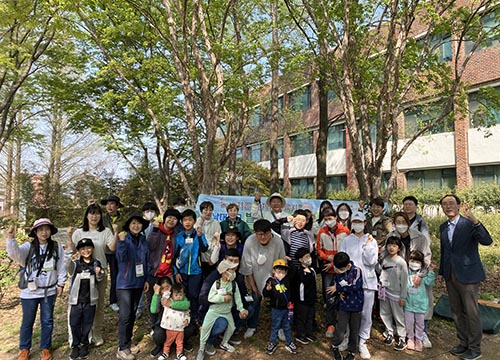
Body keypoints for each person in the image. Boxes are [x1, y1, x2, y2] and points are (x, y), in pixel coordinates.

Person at [439, 194, 493, 360]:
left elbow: (487, 241)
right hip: (450, 274)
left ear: (458, 205)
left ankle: (475, 348)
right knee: (456, 311)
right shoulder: (443, 227)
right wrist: (443, 271)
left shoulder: (469, 223)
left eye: (451, 203)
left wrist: (476, 221)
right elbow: (445, 251)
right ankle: (463, 343)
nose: (448, 206)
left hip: (468, 274)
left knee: (471, 312)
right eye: (444, 204)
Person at [5, 219, 67, 360]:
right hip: (29, 292)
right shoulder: (29, 247)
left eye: (47, 229)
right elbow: (16, 255)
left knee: (47, 321)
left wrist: (61, 284)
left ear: (51, 231)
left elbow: (61, 266)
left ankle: (46, 348)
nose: (44, 232)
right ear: (35, 232)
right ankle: (24, 349)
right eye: (41, 230)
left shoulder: (57, 247)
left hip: (49, 291)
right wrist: (11, 239)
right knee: (27, 321)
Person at [68, 204, 117, 346]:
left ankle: (96, 333)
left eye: (97, 214)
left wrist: (115, 232)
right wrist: (69, 237)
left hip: (99, 272)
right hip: (81, 273)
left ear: (101, 216)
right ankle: (82, 334)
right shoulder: (79, 232)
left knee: (98, 305)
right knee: (80, 304)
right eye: (91, 213)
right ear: (86, 215)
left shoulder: (105, 231)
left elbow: (112, 248)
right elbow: (72, 252)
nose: (94, 216)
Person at [198, 248, 254, 355]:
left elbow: (241, 295)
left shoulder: (237, 279)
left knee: (250, 309)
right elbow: (203, 298)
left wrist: (243, 309)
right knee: (221, 324)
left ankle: (227, 336)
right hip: (213, 310)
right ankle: (208, 342)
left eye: (236, 261)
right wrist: (221, 299)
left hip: (229, 309)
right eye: (230, 261)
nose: (233, 265)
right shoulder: (214, 278)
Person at [338, 212, 378, 360]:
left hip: (367, 282)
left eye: (359, 222)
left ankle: (362, 342)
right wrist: (341, 285)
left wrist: (367, 246)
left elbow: (371, 261)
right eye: (354, 222)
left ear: (364, 223)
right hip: (350, 284)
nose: (357, 224)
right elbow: (341, 263)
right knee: (349, 313)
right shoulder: (347, 240)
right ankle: (348, 338)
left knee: (365, 314)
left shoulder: (371, 240)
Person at [239, 219, 286, 339]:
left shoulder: (278, 241)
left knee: (278, 303)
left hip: (274, 278)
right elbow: (247, 267)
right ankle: (252, 325)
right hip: (255, 277)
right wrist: (253, 286)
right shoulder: (250, 241)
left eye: (266, 233)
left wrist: (278, 281)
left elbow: (282, 262)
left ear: (271, 232)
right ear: (255, 233)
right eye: (260, 234)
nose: (263, 237)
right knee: (255, 300)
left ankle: (280, 327)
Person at [116, 213, 150, 360]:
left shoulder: (143, 240)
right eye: (133, 223)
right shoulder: (124, 238)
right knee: (125, 315)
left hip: (139, 282)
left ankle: (128, 343)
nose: (136, 226)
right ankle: (122, 348)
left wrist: (147, 279)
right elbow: (121, 258)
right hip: (124, 283)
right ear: (129, 225)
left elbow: (147, 260)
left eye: (139, 223)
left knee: (133, 314)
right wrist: (122, 242)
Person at [65, 238, 104, 360]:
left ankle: (85, 344)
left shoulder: (96, 263)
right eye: (82, 249)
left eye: (88, 248)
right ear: (79, 250)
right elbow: (68, 267)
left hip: (90, 300)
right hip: (76, 300)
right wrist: (69, 252)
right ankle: (75, 345)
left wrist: (99, 273)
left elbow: (99, 278)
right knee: (74, 323)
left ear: (92, 249)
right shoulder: (76, 264)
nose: (86, 251)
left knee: (88, 323)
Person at [402, 195, 433, 348]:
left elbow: (426, 250)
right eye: (405, 204)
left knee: (423, 300)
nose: (407, 207)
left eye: (410, 204)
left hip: (418, 266)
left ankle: (423, 333)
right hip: (404, 269)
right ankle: (409, 335)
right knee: (406, 301)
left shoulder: (421, 223)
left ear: (416, 206)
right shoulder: (400, 223)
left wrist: (422, 272)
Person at [146, 208, 181, 334]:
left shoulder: (175, 235)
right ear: (165, 218)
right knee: (152, 300)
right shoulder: (156, 230)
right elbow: (150, 246)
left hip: (168, 272)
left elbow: (175, 255)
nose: (171, 220)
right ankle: (154, 326)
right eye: (169, 217)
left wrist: (175, 271)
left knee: (168, 298)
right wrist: (155, 230)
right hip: (154, 272)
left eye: (174, 218)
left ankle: (166, 324)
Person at [173, 209, 209, 325]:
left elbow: (204, 248)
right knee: (184, 295)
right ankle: (182, 318)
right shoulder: (179, 236)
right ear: (182, 222)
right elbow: (174, 256)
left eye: (190, 219)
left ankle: (194, 319)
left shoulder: (198, 234)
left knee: (194, 295)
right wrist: (176, 272)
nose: (187, 222)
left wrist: (199, 236)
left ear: (194, 221)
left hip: (196, 271)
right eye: (185, 220)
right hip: (182, 272)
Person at [329, 252, 364, 360]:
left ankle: (352, 352)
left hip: (356, 306)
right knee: (340, 330)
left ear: (348, 265)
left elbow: (355, 286)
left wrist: (339, 289)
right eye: (337, 269)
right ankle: (335, 346)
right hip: (343, 307)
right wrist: (338, 293)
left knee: (354, 331)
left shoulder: (357, 271)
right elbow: (333, 286)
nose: (338, 271)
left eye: (340, 269)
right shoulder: (338, 272)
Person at [149, 278, 192, 357]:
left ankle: (183, 342)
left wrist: (171, 304)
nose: (165, 290)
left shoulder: (179, 295)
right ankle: (159, 346)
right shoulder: (160, 297)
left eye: (167, 287)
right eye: (162, 288)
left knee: (189, 328)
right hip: (165, 325)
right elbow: (153, 310)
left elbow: (186, 305)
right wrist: (156, 293)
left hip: (179, 324)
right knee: (158, 334)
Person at [378, 236, 408, 351]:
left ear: (399, 248)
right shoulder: (385, 259)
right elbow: (380, 271)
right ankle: (389, 332)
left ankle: (402, 338)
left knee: (399, 316)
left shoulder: (401, 262)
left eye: (394, 245)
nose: (391, 248)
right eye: (390, 245)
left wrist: (403, 296)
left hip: (396, 293)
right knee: (385, 313)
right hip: (385, 291)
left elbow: (405, 281)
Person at [263, 259, 298, 355]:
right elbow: (264, 294)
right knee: (275, 326)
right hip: (276, 309)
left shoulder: (287, 280)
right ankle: (272, 342)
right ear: (274, 271)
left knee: (287, 326)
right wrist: (267, 289)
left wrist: (289, 261)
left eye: (283, 272)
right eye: (278, 271)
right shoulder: (271, 281)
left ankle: (289, 342)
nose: (281, 274)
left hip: (287, 308)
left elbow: (294, 270)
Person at [404, 250, 435, 352]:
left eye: (417, 262)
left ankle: (419, 340)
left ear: (421, 264)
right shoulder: (407, 274)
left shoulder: (423, 275)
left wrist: (430, 272)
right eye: (412, 260)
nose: (414, 263)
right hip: (408, 304)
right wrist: (412, 280)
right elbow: (404, 285)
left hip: (420, 305)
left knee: (420, 324)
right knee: (409, 323)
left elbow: (429, 282)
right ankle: (410, 339)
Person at [100, 194, 125, 313]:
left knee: (116, 275)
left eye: (112, 204)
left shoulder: (123, 219)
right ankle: (97, 299)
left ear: (117, 206)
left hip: (117, 251)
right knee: (99, 274)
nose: (109, 206)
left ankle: (114, 300)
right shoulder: (102, 218)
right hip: (103, 250)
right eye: (107, 204)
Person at [158, 284, 190, 360]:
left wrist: (187, 320)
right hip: (170, 327)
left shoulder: (183, 304)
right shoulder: (168, 301)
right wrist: (168, 291)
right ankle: (165, 353)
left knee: (180, 342)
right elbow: (164, 298)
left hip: (180, 328)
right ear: (172, 295)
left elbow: (187, 313)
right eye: (176, 295)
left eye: (180, 294)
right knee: (168, 341)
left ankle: (179, 353)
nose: (179, 297)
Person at [292, 247, 317, 345]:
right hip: (302, 300)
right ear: (300, 260)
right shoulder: (299, 271)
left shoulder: (312, 270)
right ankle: (300, 334)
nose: (308, 258)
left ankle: (309, 333)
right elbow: (302, 283)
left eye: (309, 256)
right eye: (306, 257)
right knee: (301, 317)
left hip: (311, 299)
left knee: (310, 316)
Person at [196, 201, 221, 277]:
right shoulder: (197, 222)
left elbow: (217, 239)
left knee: (211, 276)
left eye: (210, 210)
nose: (208, 212)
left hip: (212, 253)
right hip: (200, 254)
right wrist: (200, 223)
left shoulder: (216, 223)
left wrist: (214, 256)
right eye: (206, 210)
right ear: (201, 211)